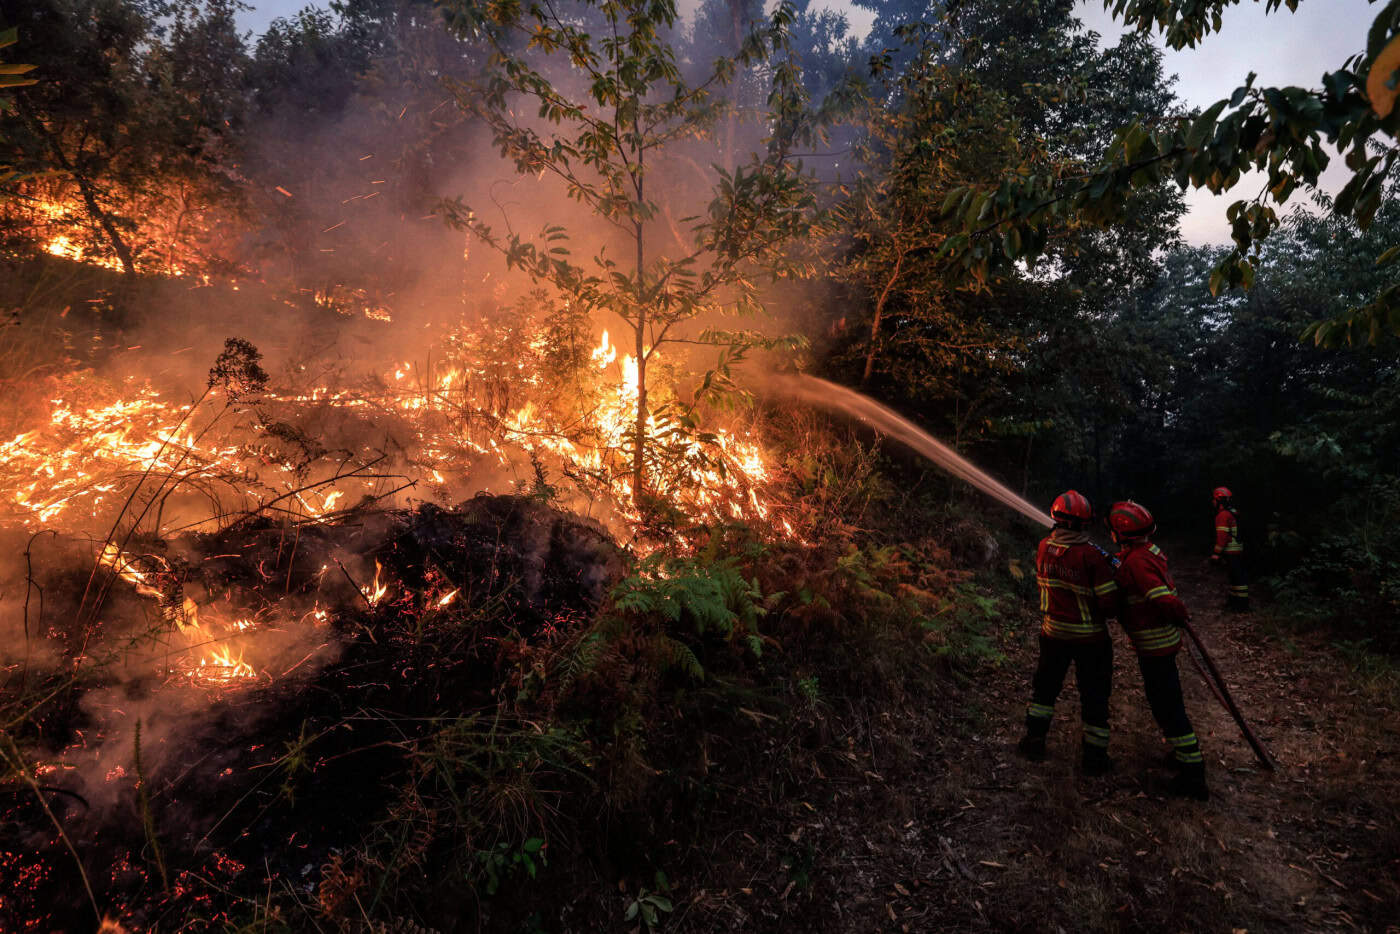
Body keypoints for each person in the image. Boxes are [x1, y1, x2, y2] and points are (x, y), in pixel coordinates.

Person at [1107, 501, 1209, 801]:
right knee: (1166, 702)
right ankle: (1183, 754)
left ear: (1120, 533)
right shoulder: (1145, 553)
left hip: (1155, 646)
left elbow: (1161, 598)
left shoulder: (1137, 562)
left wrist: (1179, 612)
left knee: (1168, 707)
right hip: (1159, 645)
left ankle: (1193, 776)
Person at [1017, 490, 1119, 775]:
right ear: (1085, 522)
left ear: (1055, 517)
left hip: (1053, 635)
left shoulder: (1043, 547)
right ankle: (1095, 758)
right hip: (1090, 639)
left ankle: (1034, 740)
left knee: (1045, 689)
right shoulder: (1091, 556)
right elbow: (1109, 606)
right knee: (1094, 695)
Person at [1211, 486, 1250, 612]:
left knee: (1237, 579)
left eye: (1214, 500)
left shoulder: (1223, 515)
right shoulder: (1234, 512)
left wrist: (1216, 554)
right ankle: (1234, 603)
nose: (1212, 502)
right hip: (1239, 549)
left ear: (1219, 501)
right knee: (1235, 578)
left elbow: (1222, 537)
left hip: (1231, 551)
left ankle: (1241, 606)